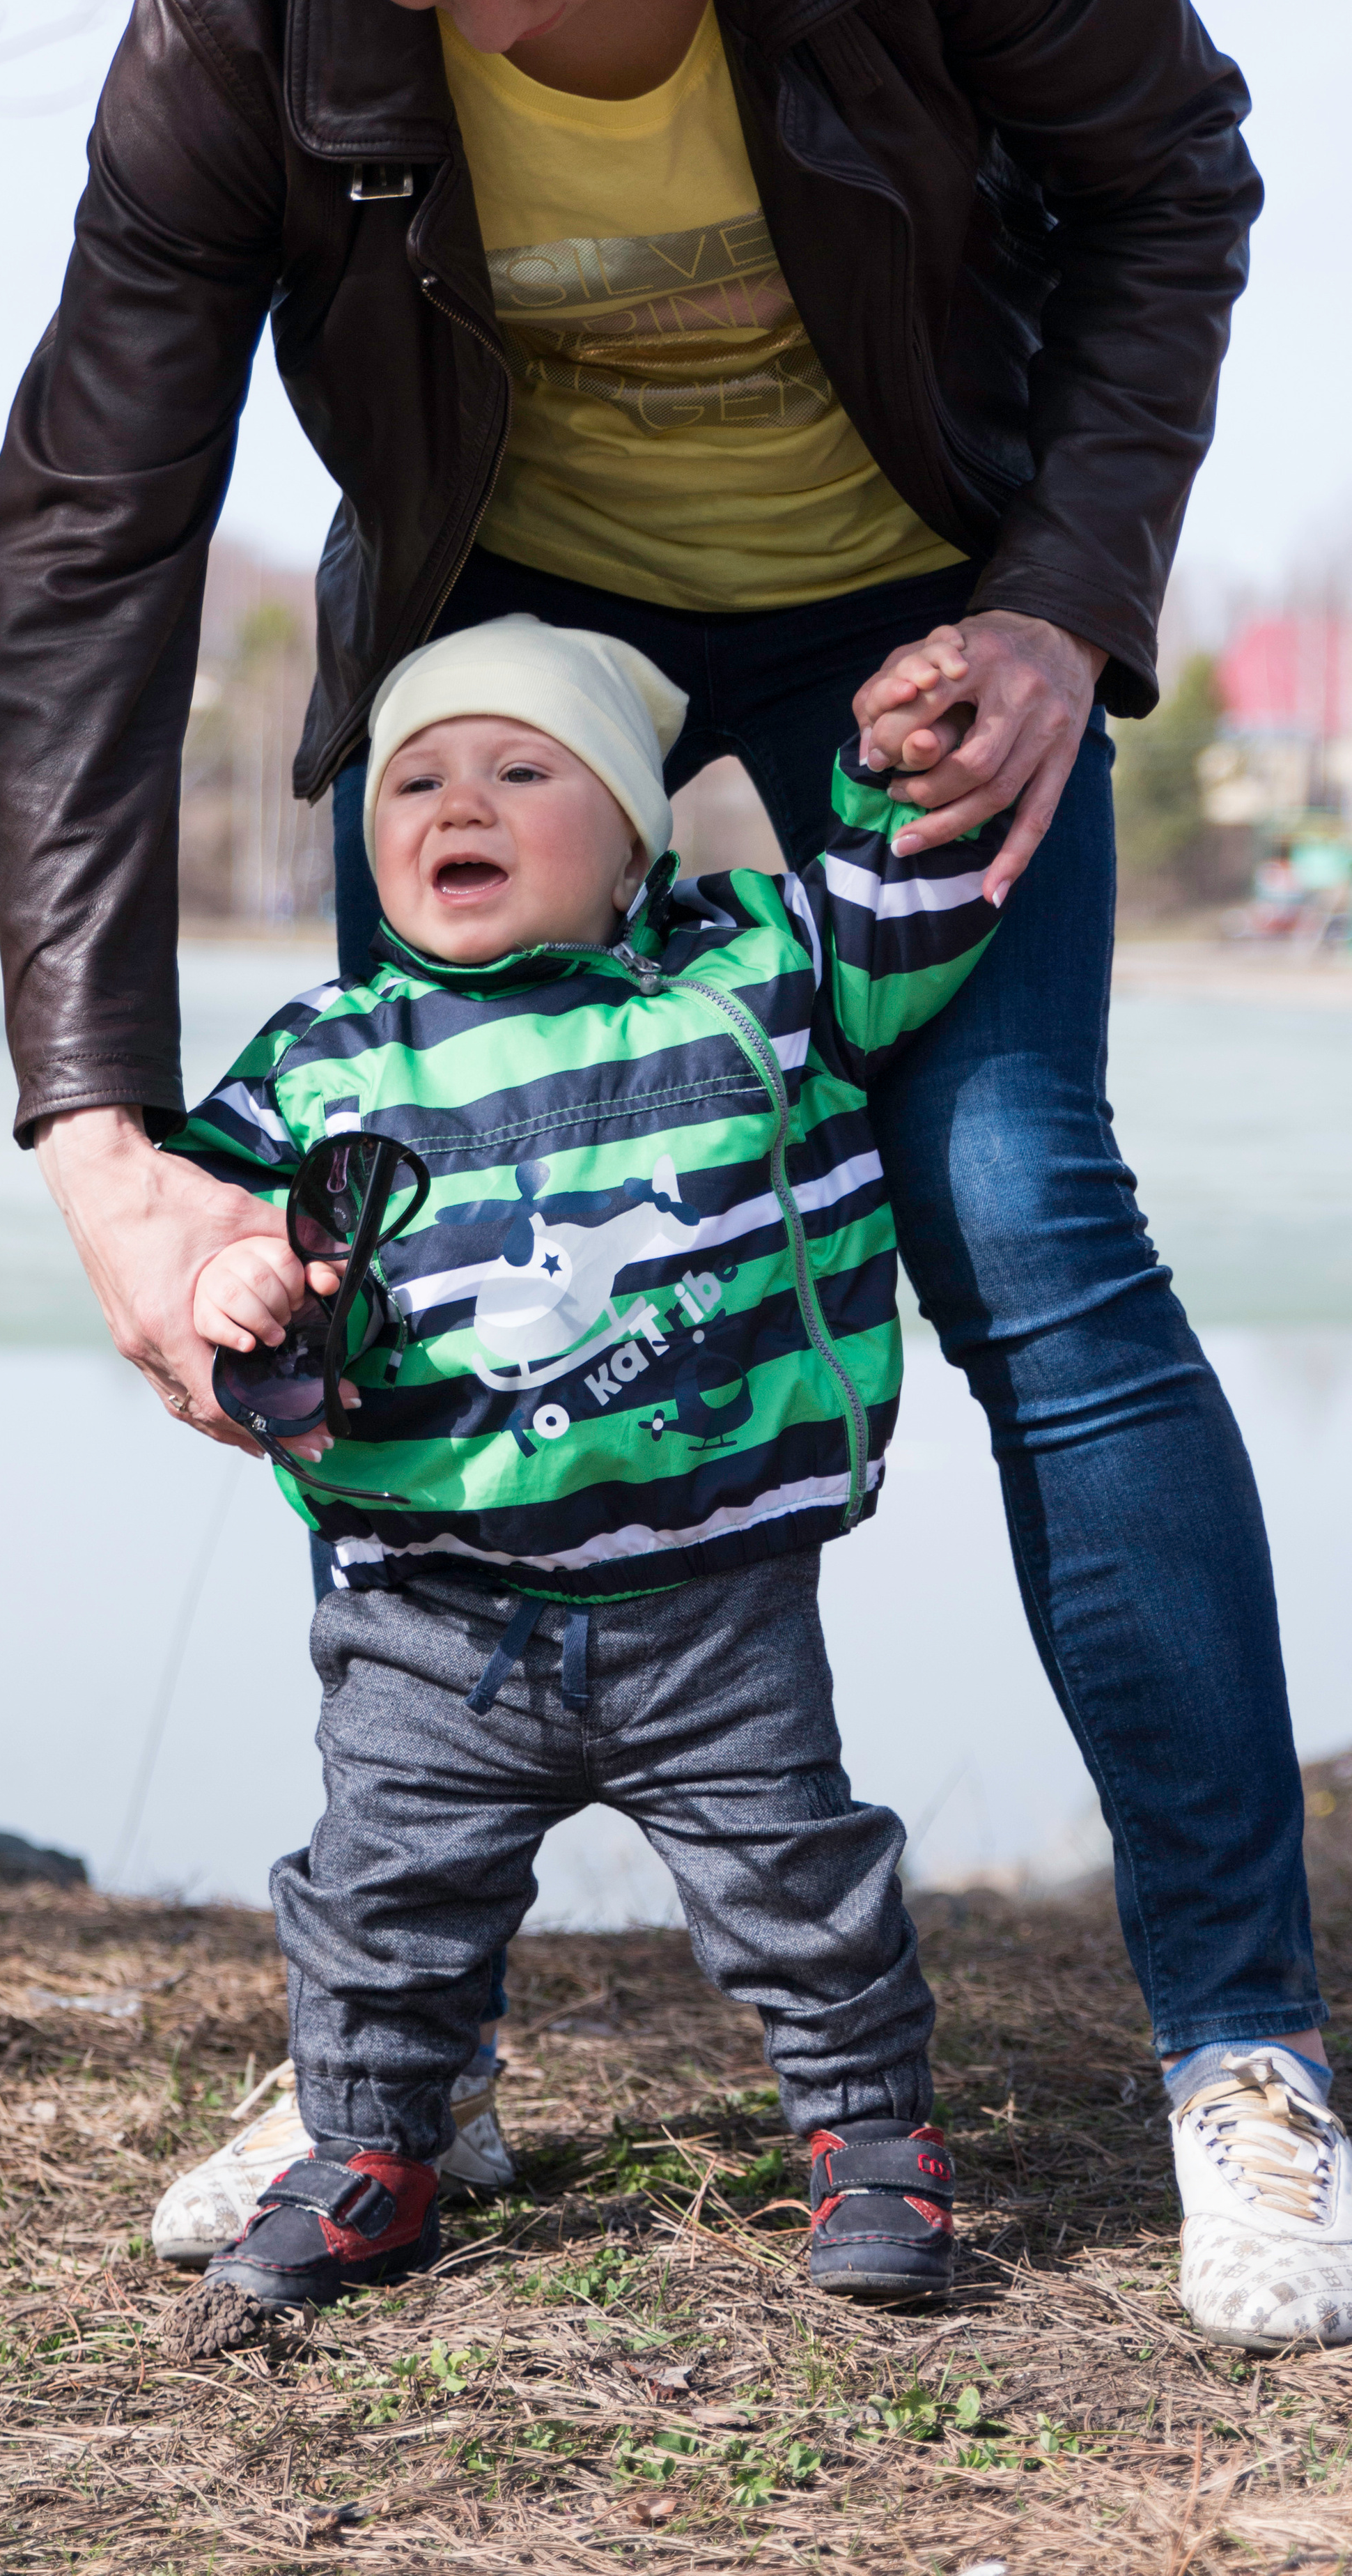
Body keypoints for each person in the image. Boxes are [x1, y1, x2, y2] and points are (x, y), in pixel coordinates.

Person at [0, 0, 1348, 2346]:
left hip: (917, 612)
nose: (496, 21)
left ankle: (1245, 2050)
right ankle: (393, 2067)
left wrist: (1062, 602)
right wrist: (95, 1124)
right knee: (401, 1286)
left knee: (1031, 1218)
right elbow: (93, 522)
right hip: (506, 639)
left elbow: (1171, 178)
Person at [168, 615, 1016, 2308]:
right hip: (431, 1609)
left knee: (797, 1884)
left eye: (518, 769)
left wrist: (892, 771)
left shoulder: (754, 973)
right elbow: (203, 1214)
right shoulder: (328, 1053)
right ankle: (370, 2157)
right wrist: (232, 1267)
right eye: (412, 778)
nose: (452, 801)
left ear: (632, 831)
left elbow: (906, 912)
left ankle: (868, 2142)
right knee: (379, 1900)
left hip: (714, 1598)